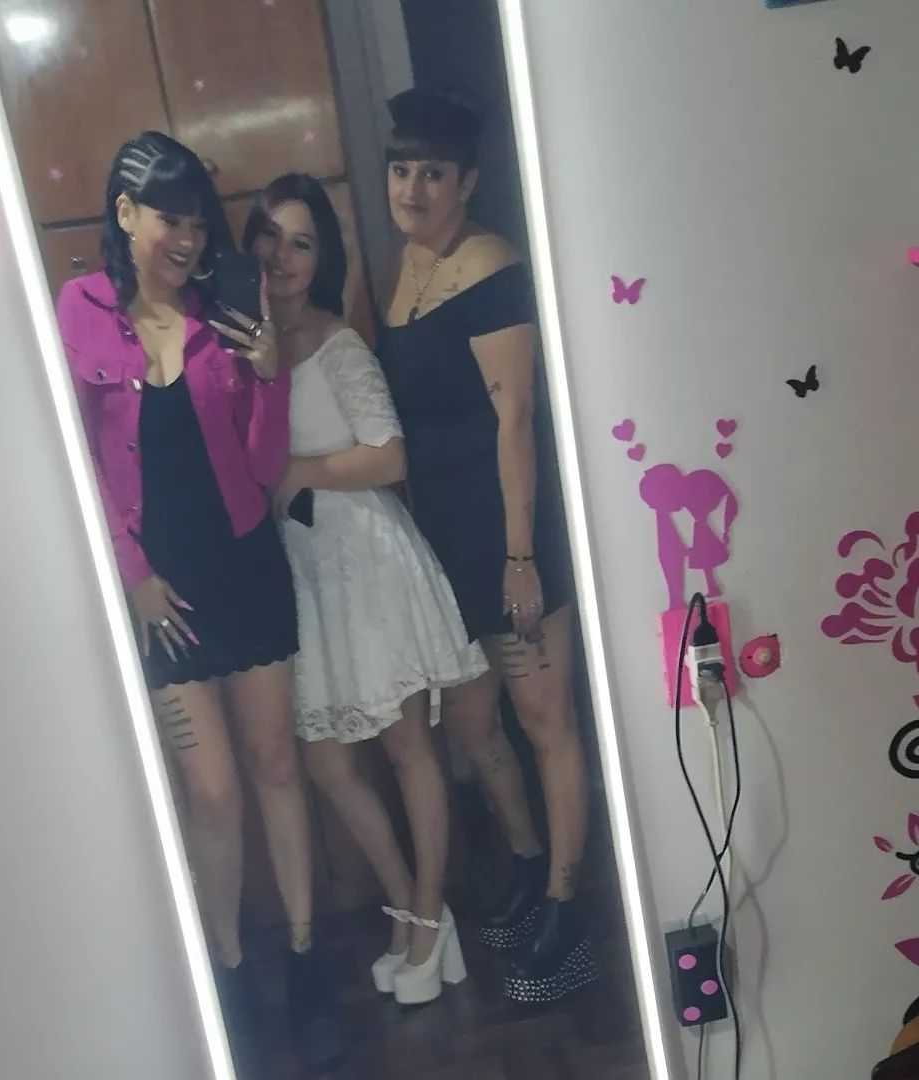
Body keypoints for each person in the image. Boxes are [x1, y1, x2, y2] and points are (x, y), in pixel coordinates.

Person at [55, 132, 340, 1072]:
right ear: (125, 213)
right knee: (211, 793)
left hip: (245, 571)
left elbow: (260, 468)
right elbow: (81, 457)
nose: (187, 240)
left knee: (276, 768)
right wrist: (131, 573)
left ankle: (305, 959)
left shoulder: (226, 312)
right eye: (169, 220)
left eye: (199, 224)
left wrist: (269, 376)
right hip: (161, 596)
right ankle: (228, 973)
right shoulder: (82, 310)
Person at [243, 173, 488, 1006]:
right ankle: (416, 908)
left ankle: (426, 916)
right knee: (326, 761)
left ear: (323, 258)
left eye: (302, 242)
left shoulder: (337, 343)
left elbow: (390, 455)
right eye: (271, 237)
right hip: (303, 574)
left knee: (408, 748)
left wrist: (299, 470)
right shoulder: (243, 346)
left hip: (367, 560)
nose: (282, 256)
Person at [377, 89, 599, 1005]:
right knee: (473, 725)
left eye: (432, 173)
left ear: (467, 181)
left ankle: (567, 911)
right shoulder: (402, 268)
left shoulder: (492, 267)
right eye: (401, 169)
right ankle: (527, 860)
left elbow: (516, 423)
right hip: (441, 536)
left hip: (510, 531)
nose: (412, 188)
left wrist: (520, 558)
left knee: (545, 722)